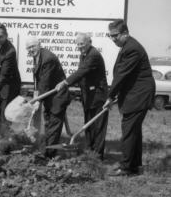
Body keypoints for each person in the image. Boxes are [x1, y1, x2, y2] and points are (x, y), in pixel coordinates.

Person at [103, 19, 155, 176]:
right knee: (134, 131)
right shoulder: (127, 46)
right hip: (136, 94)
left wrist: (109, 96)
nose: (113, 39)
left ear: (125, 33)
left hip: (138, 96)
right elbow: (126, 75)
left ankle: (125, 168)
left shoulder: (132, 49)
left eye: (116, 36)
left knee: (129, 131)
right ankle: (134, 166)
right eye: (110, 36)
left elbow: (122, 75)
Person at [56, 32, 109, 160]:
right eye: (78, 44)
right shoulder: (84, 54)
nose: (80, 46)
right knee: (89, 126)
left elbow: (82, 71)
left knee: (98, 127)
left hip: (98, 96)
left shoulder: (93, 55)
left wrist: (65, 82)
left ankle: (97, 156)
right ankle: (89, 151)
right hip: (88, 96)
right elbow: (84, 76)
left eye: (82, 44)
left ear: (89, 42)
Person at [26, 36, 71, 158]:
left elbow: (45, 82)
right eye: (28, 48)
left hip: (58, 97)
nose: (30, 50)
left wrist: (38, 100)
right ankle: (45, 151)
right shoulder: (37, 56)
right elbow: (39, 81)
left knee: (54, 127)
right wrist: (38, 96)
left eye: (32, 46)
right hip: (49, 96)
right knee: (48, 124)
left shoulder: (48, 59)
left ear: (39, 45)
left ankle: (50, 155)